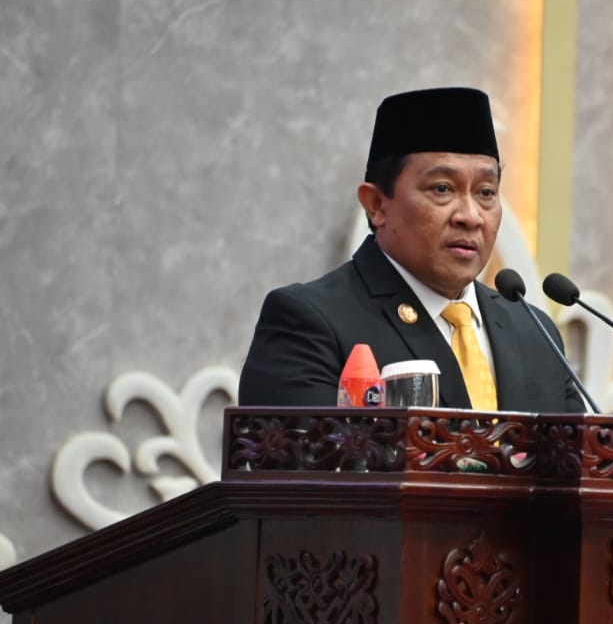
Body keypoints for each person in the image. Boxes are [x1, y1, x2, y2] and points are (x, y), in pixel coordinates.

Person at [239, 86, 584, 413]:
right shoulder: (312, 323)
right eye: (442, 189)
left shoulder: (533, 331)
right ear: (377, 204)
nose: (470, 216)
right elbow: (301, 455)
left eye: (486, 192)